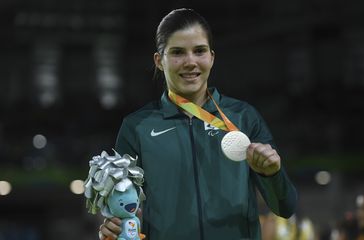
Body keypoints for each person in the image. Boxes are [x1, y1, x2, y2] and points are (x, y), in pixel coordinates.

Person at [98, 8, 298, 240]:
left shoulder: (243, 117)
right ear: (159, 61)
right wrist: (112, 231)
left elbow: (286, 208)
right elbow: (123, 209)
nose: (190, 62)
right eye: (178, 53)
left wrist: (272, 175)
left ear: (212, 57)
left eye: (199, 51)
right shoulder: (137, 127)